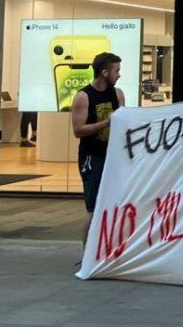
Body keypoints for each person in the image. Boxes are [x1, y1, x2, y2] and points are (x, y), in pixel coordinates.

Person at [70, 52, 125, 253]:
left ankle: (109, 250)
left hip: (114, 156)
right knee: (93, 209)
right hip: (92, 157)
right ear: (104, 72)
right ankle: (88, 256)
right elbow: (78, 130)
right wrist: (106, 123)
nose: (119, 74)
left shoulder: (118, 94)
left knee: (114, 205)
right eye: (116, 70)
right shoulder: (84, 96)